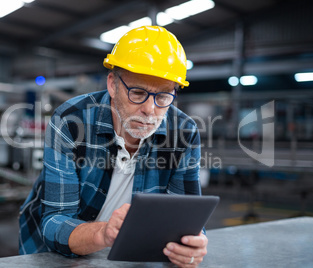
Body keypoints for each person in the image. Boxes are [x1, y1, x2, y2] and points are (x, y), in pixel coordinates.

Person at [19, 25, 207, 267]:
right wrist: (103, 233)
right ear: (112, 84)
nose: (150, 110)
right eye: (138, 93)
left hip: (128, 255)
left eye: (162, 97)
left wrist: (191, 244)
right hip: (48, 253)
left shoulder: (185, 133)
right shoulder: (71, 120)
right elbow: (55, 221)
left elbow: (186, 219)